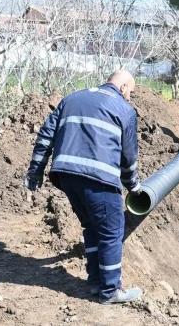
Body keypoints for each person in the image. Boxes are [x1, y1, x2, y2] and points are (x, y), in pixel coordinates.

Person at [24, 70, 143, 305]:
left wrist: (35, 173)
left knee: (91, 226)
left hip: (66, 177)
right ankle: (110, 291)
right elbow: (128, 157)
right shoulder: (124, 110)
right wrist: (133, 186)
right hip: (98, 179)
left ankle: (95, 283)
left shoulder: (72, 98)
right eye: (130, 92)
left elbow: (46, 135)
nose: (129, 97)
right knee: (111, 231)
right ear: (122, 87)